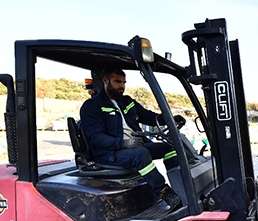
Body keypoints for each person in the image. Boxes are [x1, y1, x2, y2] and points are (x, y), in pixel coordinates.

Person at [79, 68, 185, 208]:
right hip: (109, 154)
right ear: (105, 80)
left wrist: (169, 119)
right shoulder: (92, 106)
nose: (122, 86)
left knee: (169, 147)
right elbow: (95, 138)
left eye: (124, 82)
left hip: (133, 146)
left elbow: (149, 117)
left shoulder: (127, 101)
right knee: (141, 154)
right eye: (118, 82)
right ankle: (163, 191)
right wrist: (124, 143)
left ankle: (181, 187)